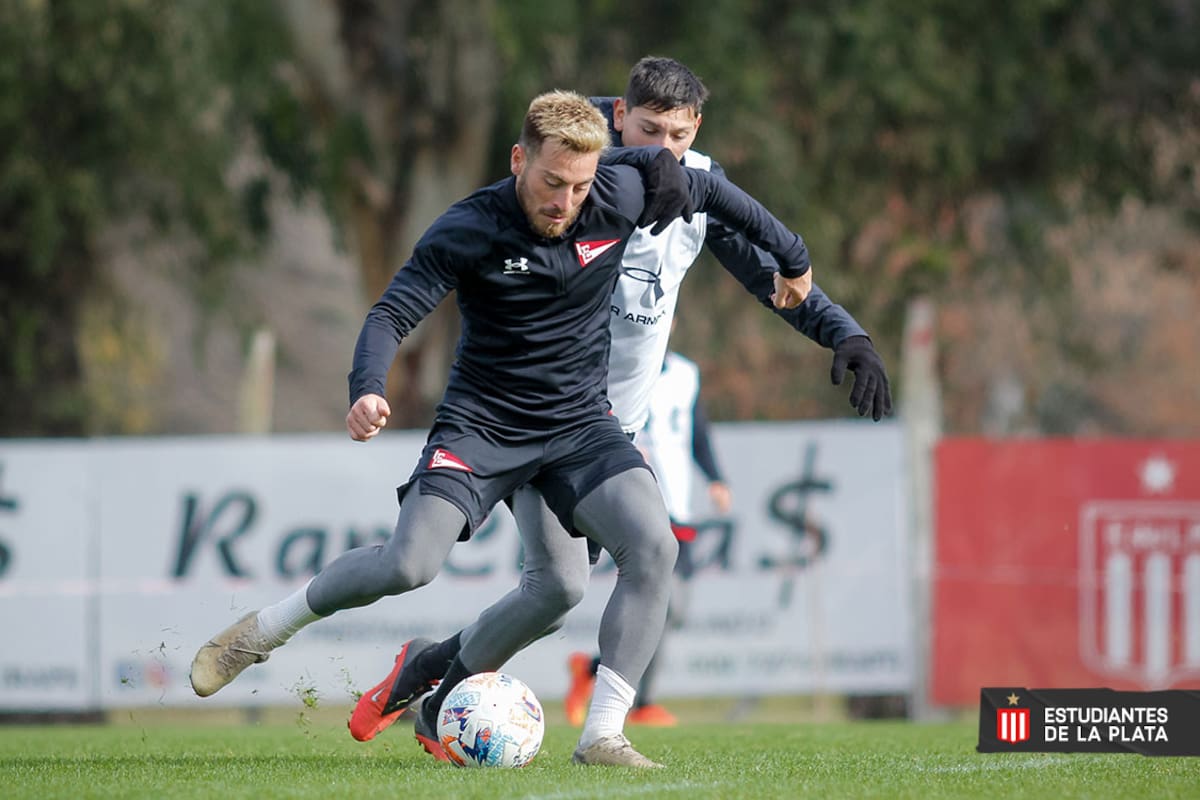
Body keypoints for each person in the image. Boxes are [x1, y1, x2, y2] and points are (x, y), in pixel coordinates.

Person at [189, 89, 817, 769]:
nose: (564, 201)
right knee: (409, 565)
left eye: (579, 186)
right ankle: (260, 633)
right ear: (519, 159)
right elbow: (389, 315)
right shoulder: (471, 226)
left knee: (638, 554)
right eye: (550, 182)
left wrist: (794, 257)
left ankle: (601, 734)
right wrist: (367, 389)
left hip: (579, 424)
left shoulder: (618, 191)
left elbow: (720, 197)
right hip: (483, 425)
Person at [348, 58, 889, 756]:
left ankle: (431, 672)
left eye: (679, 137)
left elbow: (774, 277)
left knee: (553, 593)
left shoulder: (698, 190)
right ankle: (582, 728)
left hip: (610, 430)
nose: (665, 150)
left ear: (697, 132)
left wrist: (844, 331)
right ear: (619, 120)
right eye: (647, 131)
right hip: (542, 413)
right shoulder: (585, 177)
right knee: (574, 578)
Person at [566, 346, 733, 727]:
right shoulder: (620, 361)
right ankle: (641, 704)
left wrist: (716, 478)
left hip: (679, 502)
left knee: (677, 609)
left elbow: (697, 432)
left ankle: (591, 670)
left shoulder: (685, 373)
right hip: (639, 493)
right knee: (662, 602)